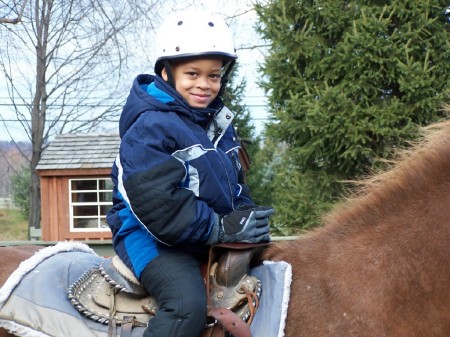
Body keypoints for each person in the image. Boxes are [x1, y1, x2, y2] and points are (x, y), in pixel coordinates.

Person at [106, 9, 274, 337]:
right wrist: (217, 226)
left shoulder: (219, 127)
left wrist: (246, 219)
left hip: (206, 234)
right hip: (149, 237)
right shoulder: (150, 126)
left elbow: (235, 186)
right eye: (193, 74)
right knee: (186, 305)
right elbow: (156, 203)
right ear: (166, 73)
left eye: (214, 76)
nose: (205, 84)